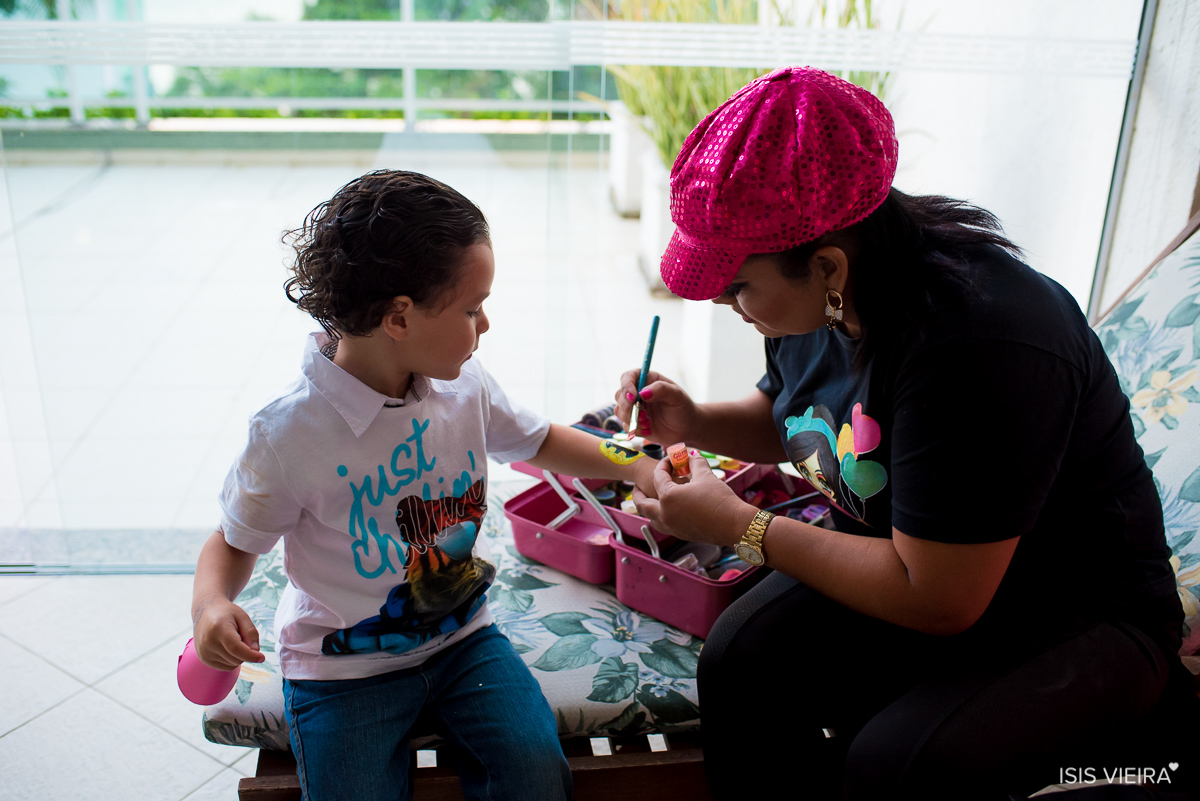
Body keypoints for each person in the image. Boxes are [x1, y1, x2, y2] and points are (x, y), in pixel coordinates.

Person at [617, 67, 1195, 800]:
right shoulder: (820, 300)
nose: (733, 305)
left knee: (896, 765)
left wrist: (741, 525)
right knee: (741, 658)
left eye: (738, 286)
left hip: (1075, 611)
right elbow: (796, 419)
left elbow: (939, 596)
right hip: (926, 563)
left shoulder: (982, 342)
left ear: (826, 264)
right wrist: (693, 419)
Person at [190, 170, 657, 801]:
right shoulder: (288, 435)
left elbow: (540, 439)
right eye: (471, 308)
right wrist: (211, 605)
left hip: (465, 642)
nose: (485, 324)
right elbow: (234, 540)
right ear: (399, 318)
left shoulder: (465, 384)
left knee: (536, 777)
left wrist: (633, 463)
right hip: (341, 671)